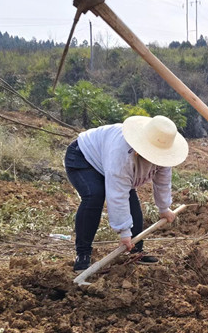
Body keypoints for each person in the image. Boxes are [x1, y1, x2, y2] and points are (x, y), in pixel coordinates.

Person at [64, 115, 189, 272]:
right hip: (84, 157)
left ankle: (135, 251)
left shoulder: (164, 156)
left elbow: (163, 183)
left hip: (109, 162)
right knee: (94, 195)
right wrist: (124, 232)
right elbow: (118, 195)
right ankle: (82, 255)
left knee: (132, 204)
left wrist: (164, 208)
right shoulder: (122, 154)